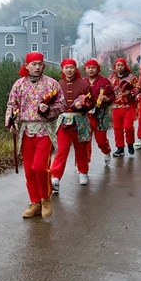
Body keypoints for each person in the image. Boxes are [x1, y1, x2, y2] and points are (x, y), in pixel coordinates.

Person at [6, 52, 65, 219]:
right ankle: (35, 202)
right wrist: (12, 123)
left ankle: (46, 198)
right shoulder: (19, 85)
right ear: (26, 66)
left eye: (40, 64)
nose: (37, 67)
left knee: (39, 166)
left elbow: (62, 104)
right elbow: (12, 105)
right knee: (29, 170)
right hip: (25, 130)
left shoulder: (51, 84)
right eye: (34, 64)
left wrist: (50, 110)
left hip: (44, 129)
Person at [50, 59, 96, 189]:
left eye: (71, 67)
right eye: (66, 67)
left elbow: (92, 102)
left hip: (80, 121)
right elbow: (53, 102)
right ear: (62, 70)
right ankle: (56, 177)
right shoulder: (58, 85)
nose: (69, 70)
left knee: (81, 149)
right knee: (62, 150)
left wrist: (82, 105)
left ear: (75, 69)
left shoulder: (84, 84)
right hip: (63, 121)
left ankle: (83, 171)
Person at [83, 59, 115, 167]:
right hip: (86, 115)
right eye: (89, 68)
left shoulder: (104, 81)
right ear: (85, 69)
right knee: (85, 141)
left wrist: (106, 99)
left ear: (98, 69)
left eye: (93, 68)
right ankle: (84, 163)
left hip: (101, 115)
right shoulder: (82, 82)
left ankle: (106, 151)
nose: (91, 70)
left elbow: (112, 96)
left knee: (101, 140)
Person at [109, 58, 140, 157]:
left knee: (128, 127)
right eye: (118, 65)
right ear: (115, 66)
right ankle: (120, 148)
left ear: (125, 66)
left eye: (122, 65)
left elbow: (138, 88)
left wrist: (130, 92)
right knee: (117, 128)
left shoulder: (131, 77)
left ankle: (130, 144)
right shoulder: (112, 78)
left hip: (128, 106)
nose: (120, 67)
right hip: (116, 106)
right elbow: (107, 89)